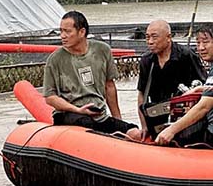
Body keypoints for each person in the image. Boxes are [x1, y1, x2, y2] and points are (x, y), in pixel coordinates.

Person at [43, 10, 142, 140]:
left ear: (82, 32)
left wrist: (117, 119)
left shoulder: (102, 50)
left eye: (67, 31)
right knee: (87, 124)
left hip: (97, 114)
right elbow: (50, 97)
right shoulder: (55, 60)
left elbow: (109, 87)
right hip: (69, 114)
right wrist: (77, 110)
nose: (63, 36)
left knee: (134, 132)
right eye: (61, 31)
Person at [136, 19, 206, 138]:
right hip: (157, 118)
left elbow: (205, 89)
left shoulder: (186, 56)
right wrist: (144, 125)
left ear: (168, 37)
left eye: (154, 37)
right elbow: (142, 94)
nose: (150, 42)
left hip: (184, 119)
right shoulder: (146, 61)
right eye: (147, 37)